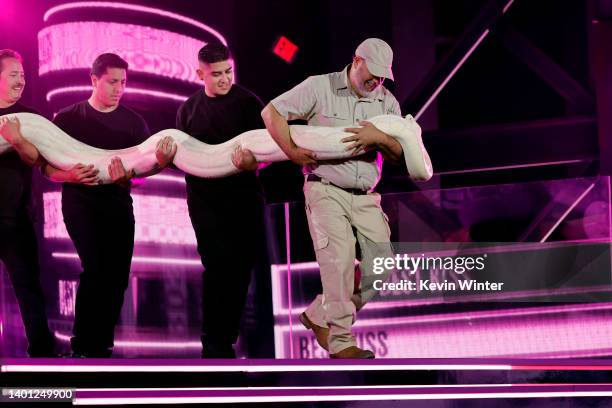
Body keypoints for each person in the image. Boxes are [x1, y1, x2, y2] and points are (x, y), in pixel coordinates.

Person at [262, 38, 402, 359]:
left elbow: (397, 154)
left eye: (383, 76)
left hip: (366, 195)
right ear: (356, 60)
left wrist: (379, 137)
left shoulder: (388, 102)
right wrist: (292, 152)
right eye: (373, 73)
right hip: (325, 187)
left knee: (381, 268)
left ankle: (318, 314)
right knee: (338, 262)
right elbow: (271, 112)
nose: (377, 81)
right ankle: (341, 343)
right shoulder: (319, 87)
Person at [49, 53, 176, 357]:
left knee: (117, 277)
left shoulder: (134, 123)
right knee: (96, 269)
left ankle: (100, 347)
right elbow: (45, 168)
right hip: (81, 204)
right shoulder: (67, 118)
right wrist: (69, 175)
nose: (119, 88)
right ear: (94, 80)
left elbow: (145, 172)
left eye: (124, 82)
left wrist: (136, 173)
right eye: (112, 81)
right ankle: (83, 347)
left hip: (119, 204)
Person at [176, 43, 265, 358]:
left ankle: (225, 338)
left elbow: (268, 150)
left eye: (229, 72)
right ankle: (213, 344)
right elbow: (181, 156)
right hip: (204, 202)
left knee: (240, 269)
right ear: (200, 73)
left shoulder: (249, 103)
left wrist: (255, 163)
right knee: (215, 268)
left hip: (243, 200)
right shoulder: (187, 110)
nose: (225, 79)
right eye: (216, 74)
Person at [0, 49, 56, 357]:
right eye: (13, 75)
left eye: (22, 75)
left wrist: (17, 139)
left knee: (29, 289)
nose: (21, 80)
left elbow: (37, 159)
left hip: (16, 218)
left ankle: (43, 356)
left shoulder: (32, 118)